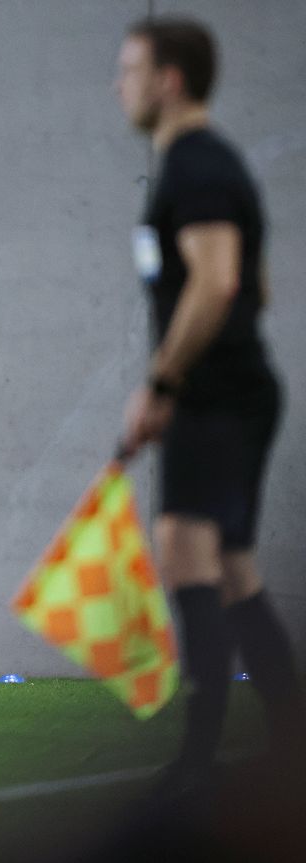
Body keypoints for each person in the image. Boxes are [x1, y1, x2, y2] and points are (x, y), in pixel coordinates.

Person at [115, 17, 303, 792]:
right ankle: (283, 743)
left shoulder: (196, 164)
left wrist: (163, 383)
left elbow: (220, 281)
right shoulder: (197, 165)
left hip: (219, 397)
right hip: (224, 392)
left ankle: (197, 762)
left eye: (130, 70)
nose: (119, 85)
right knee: (229, 569)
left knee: (190, 554)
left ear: (169, 80)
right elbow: (256, 285)